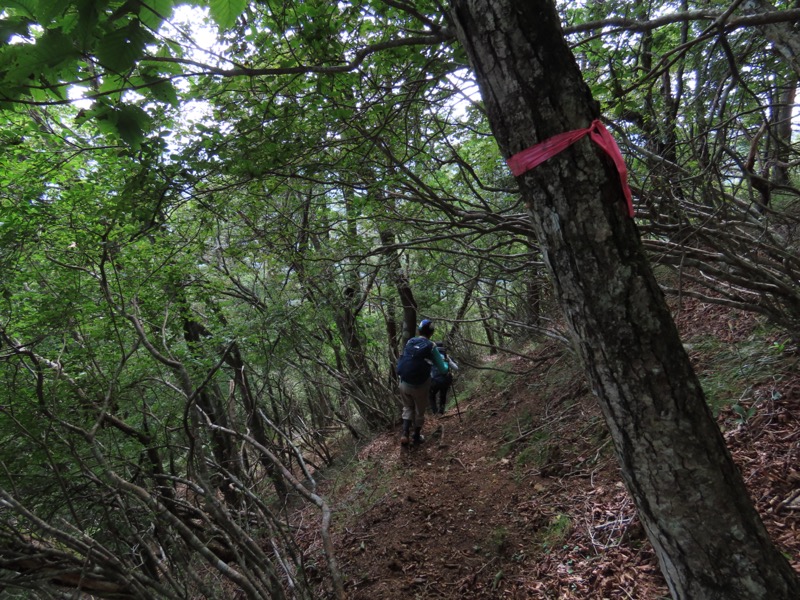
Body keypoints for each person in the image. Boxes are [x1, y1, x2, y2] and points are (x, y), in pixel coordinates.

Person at [396, 319, 448, 445]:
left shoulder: (410, 341)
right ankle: (416, 436)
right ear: (432, 333)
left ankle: (405, 433)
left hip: (404, 382)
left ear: (419, 330)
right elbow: (442, 369)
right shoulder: (432, 346)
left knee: (408, 407)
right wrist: (446, 364)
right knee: (420, 410)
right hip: (420, 385)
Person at [429, 341, 458, 415]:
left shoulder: (431, 356)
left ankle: (435, 412)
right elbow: (456, 368)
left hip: (434, 380)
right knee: (443, 395)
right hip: (445, 379)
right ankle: (441, 412)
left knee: (431, 396)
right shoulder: (446, 356)